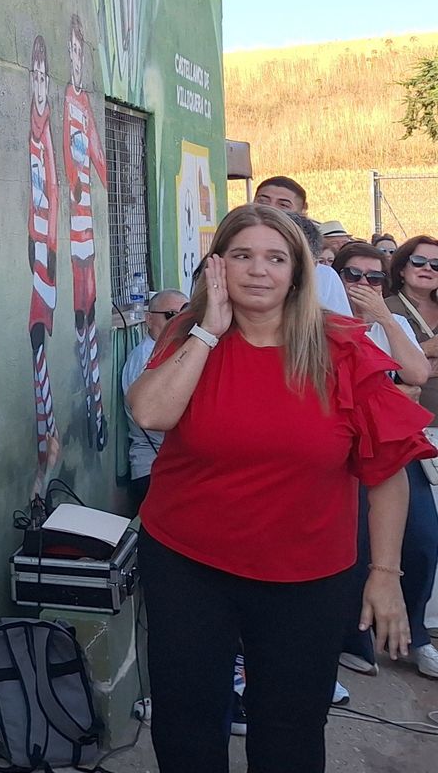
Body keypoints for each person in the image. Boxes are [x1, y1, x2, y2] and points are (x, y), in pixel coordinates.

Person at [127, 204, 435, 773]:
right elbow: (150, 410)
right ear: (218, 266)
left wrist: (385, 575)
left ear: (298, 271)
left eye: (276, 258)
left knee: (290, 727)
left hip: (308, 573)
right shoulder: (189, 332)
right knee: (186, 719)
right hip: (188, 561)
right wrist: (208, 331)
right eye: (242, 255)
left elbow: (388, 468)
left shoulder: (342, 346)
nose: (259, 271)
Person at [332, 242, 438, 680]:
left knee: (421, 539)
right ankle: (354, 638)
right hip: (344, 451)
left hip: (392, 446)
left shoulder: (389, 321)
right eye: (353, 276)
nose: (363, 285)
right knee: (354, 544)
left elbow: (416, 373)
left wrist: (381, 318)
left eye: (374, 278)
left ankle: (415, 634)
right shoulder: (322, 320)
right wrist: (395, 394)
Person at [62, 14, 109, 451]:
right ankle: (88, 389)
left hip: (88, 221)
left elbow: (96, 149)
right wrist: (75, 179)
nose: (75, 59)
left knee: (91, 304)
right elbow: (65, 148)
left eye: (80, 52)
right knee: (80, 306)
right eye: (72, 51)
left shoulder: (86, 105)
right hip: (72, 220)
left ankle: (95, 398)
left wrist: (110, 182)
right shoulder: (65, 100)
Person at [26, 34, 63, 499]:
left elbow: (52, 191)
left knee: (37, 331)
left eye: (41, 76)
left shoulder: (46, 130)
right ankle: (47, 436)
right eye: (33, 75)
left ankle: (48, 436)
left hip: (44, 250)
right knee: (33, 334)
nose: (37, 83)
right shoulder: (30, 127)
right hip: (31, 243)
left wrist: (46, 252)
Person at [120, 289, 189, 512]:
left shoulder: (174, 352)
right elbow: (153, 418)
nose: (178, 321)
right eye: (171, 314)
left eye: (185, 313)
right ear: (149, 319)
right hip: (154, 469)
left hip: (173, 468)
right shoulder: (146, 359)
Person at [386, 234, 438, 414]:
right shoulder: (384, 309)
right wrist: (426, 350)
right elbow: (380, 364)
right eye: (418, 261)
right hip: (409, 423)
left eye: (436, 264)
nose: (428, 268)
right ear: (401, 269)